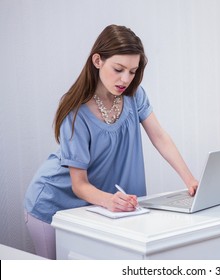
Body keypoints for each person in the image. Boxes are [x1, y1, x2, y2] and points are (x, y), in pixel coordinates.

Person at [24, 24, 198, 259]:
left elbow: (160, 137)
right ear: (98, 61)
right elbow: (79, 184)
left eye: (133, 71)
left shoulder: (135, 96)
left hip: (100, 208)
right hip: (54, 202)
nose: (125, 79)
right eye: (118, 69)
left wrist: (190, 180)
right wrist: (109, 200)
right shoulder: (76, 113)